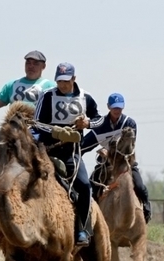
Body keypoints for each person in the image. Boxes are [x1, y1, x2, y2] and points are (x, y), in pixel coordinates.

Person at [33, 62, 103, 246]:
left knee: (85, 185)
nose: (62, 84)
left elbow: (99, 120)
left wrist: (87, 123)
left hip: (72, 153)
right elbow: (36, 123)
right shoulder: (47, 96)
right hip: (46, 151)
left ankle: (83, 229)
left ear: (74, 78)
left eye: (66, 80)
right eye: (59, 81)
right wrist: (55, 131)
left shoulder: (85, 97)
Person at [82, 93, 152, 223]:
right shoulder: (99, 126)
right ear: (108, 107)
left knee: (140, 186)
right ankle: (91, 219)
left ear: (123, 107)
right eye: (114, 107)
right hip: (105, 165)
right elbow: (83, 146)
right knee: (92, 187)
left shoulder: (129, 123)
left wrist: (109, 153)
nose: (117, 110)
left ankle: (146, 211)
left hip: (126, 165)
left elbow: (129, 149)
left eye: (119, 108)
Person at [0, 50, 55, 117]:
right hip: (12, 125)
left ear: (43, 66)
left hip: (37, 126)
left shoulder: (50, 87)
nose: (31, 66)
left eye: (35, 63)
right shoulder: (13, 84)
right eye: (28, 63)